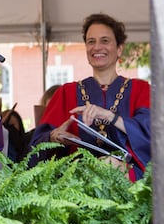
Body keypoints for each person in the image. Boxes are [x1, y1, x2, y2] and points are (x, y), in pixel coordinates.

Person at [28, 13, 150, 180]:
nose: (97, 47)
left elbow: (152, 136)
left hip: (130, 180)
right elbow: (35, 147)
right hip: (77, 182)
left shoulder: (141, 89)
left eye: (105, 41)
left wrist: (109, 116)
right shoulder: (66, 92)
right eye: (91, 41)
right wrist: (53, 137)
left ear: (119, 48)